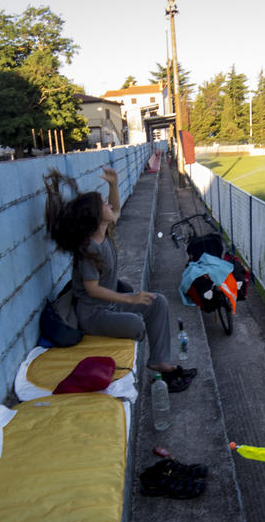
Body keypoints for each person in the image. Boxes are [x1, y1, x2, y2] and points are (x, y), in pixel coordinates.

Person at [44, 166, 196, 392]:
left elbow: (115, 210)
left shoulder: (102, 233)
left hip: (110, 307)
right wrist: (131, 300)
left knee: (158, 302)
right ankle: (159, 365)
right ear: (95, 217)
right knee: (137, 325)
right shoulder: (89, 248)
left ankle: (159, 362)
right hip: (93, 315)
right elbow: (93, 289)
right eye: (103, 204)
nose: (109, 205)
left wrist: (113, 183)